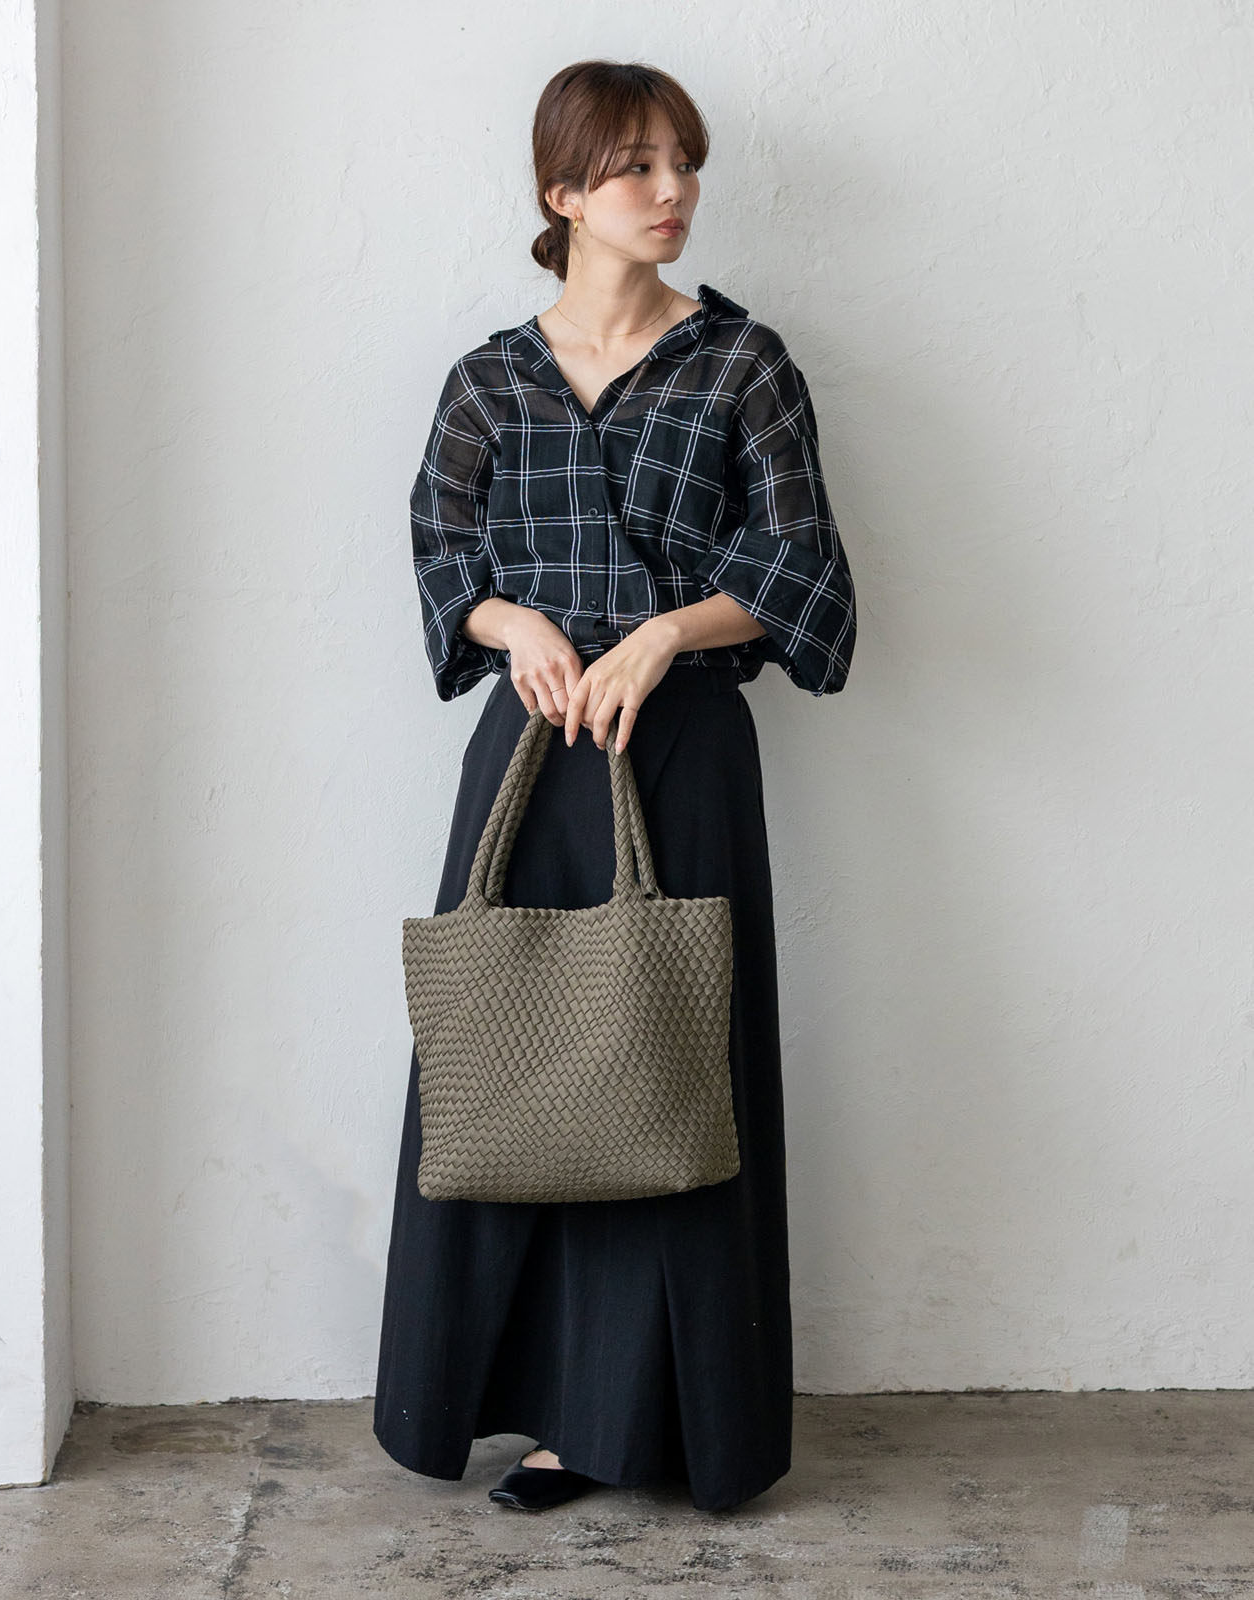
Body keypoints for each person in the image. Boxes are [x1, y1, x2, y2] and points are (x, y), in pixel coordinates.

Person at [373, 58, 857, 1514]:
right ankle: (523, 1406)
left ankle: (657, 1423)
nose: (672, 190)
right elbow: (442, 556)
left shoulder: (741, 363)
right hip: (530, 761)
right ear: (563, 192)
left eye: (683, 163)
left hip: (682, 751)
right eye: (638, 165)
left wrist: (660, 633)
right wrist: (515, 623)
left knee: (668, 1076)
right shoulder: (489, 379)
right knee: (510, 1061)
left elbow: (802, 570)